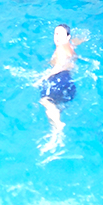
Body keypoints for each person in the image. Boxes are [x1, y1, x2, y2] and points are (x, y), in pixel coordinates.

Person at [39, 23, 79, 152]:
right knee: (56, 107)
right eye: (55, 33)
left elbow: (59, 66)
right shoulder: (70, 46)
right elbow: (77, 42)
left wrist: (42, 78)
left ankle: (58, 127)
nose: (57, 37)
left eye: (60, 34)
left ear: (67, 37)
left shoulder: (61, 49)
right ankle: (56, 133)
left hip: (60, 78)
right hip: (69, 82)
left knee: (45, 101)